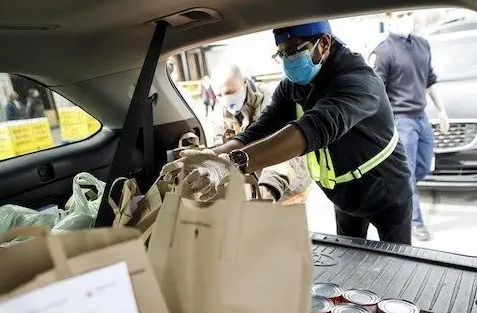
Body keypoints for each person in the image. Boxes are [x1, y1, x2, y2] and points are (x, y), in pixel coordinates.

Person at [163, 21, 413, 244]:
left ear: (323, 44)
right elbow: (260, 130)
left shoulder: (359, 81)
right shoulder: (294, 86)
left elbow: (313, 128)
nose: (288, 61)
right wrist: (210, 156)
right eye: (281, 54)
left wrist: (231, 165)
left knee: (399, 267)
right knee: (351, 260)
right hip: (343, 195)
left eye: (294, 51)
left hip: (386, 193)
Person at [372, 11, 449, 242]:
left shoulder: (422, 45)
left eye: (408, 13)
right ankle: (415, 222)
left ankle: (395, 193)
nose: (406, 18)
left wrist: (442, 110)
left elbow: (430, 80)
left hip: (421, 118)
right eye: (400, 14)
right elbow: (377, 92)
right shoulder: (384, 51)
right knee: (408, 174)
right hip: (401, 120)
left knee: (422, 167)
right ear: (388, 17)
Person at [211, 63, 311, 202]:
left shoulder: (271, 101)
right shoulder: (219, 114)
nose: (225, 99)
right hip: (252, 186)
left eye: (230, 92)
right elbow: (220, 145)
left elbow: (286, 148)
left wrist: (270, 186)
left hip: (287, 184)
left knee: (287, 218)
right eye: (219, 95)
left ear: (244, 83)